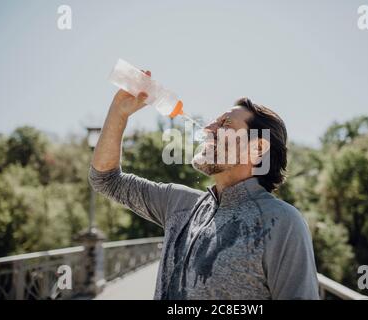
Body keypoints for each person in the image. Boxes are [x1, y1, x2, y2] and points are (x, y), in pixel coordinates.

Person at [89, 70, 319, 300]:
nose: (207, 129)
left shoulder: (282, 222)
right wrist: (119, 112)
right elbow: (106, 179)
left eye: (225, 123)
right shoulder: (179, 204)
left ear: (257, 148)